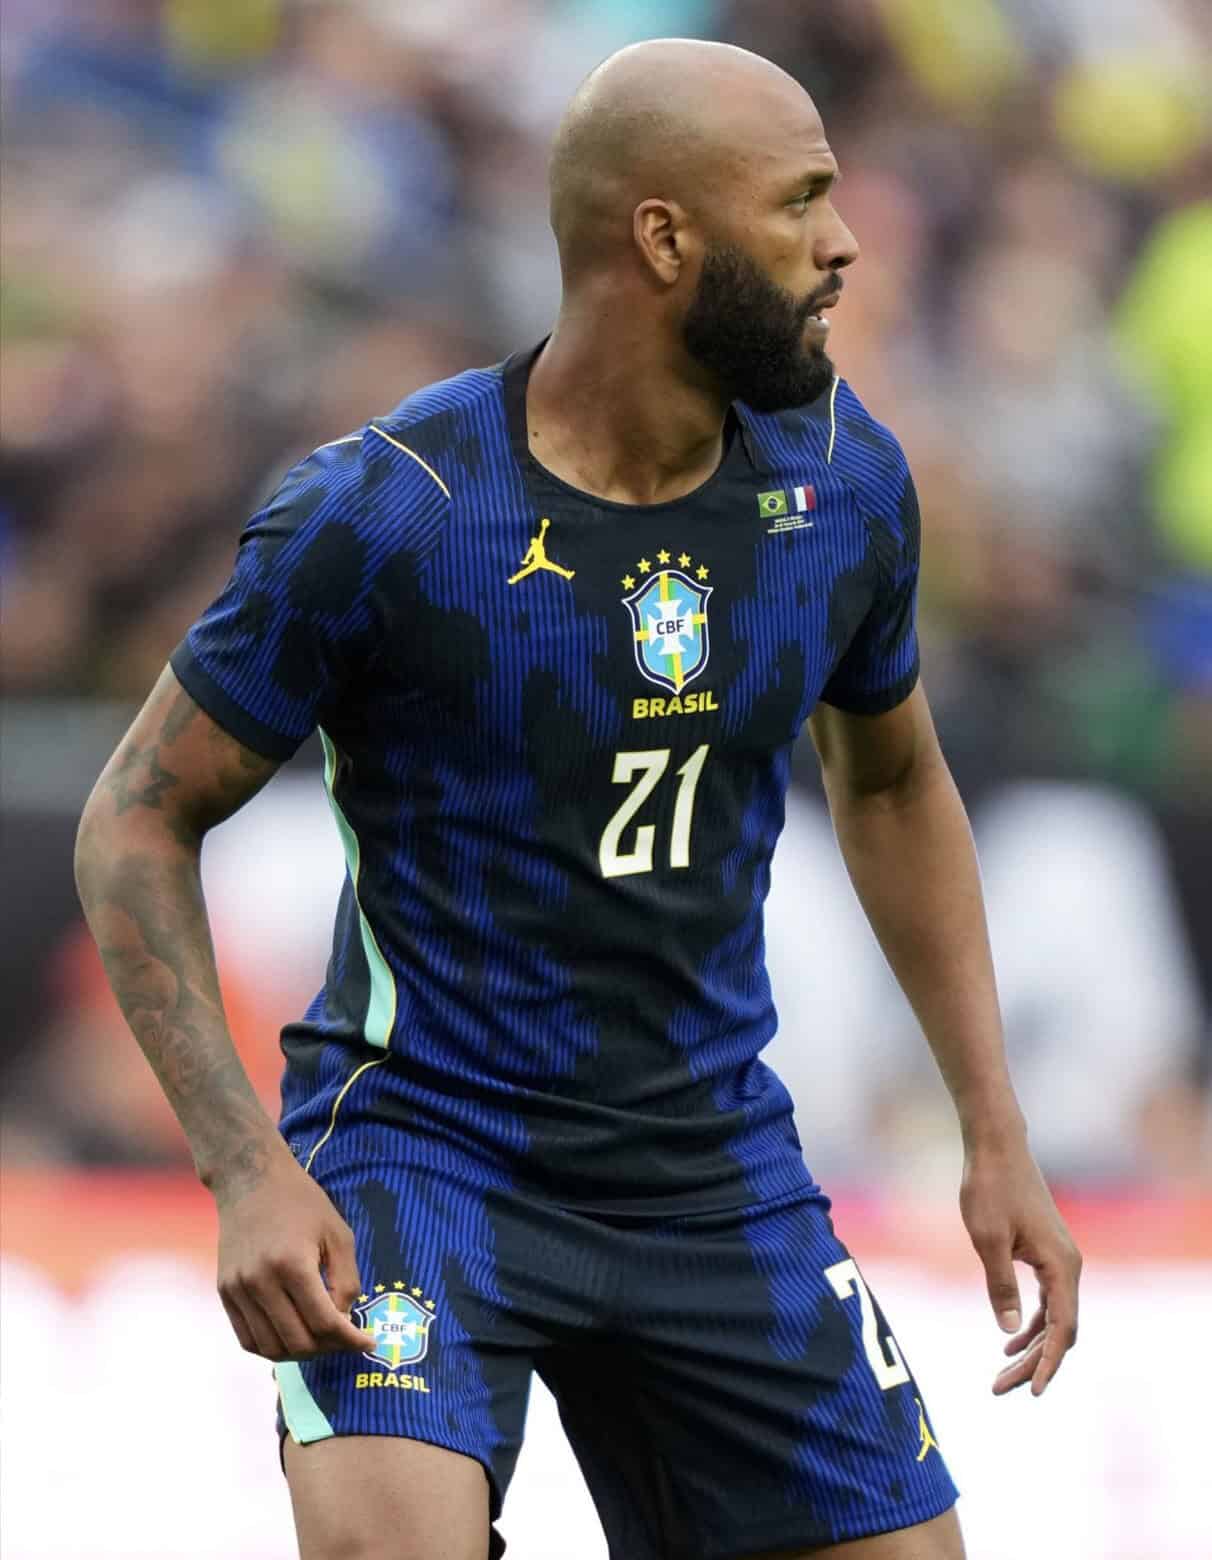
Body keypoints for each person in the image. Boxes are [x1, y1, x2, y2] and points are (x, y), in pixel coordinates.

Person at [75, 38, 1081, 1560]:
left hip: (708, 1166)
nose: (844, 242)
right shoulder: (390, 512)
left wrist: (993, 1130)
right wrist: (243, 1166)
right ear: (664, 238)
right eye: (801, 201)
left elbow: (890, 781)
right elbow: (137, 818)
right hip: (427, 1147)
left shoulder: (842, 484)